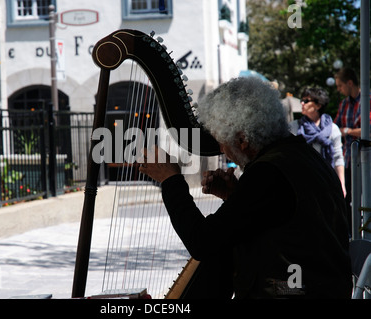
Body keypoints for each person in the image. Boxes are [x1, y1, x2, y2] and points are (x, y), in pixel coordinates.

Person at [139, 77, 352, 299]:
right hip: (322, 287)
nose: (222, 149)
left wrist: (170, 179)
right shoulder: (301, 154)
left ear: (242, 139)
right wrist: (234, 195)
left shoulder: (268, 173)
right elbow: (279, 215)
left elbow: (202, 241)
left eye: (221, 141)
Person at [289, 87, 346, 196]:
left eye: (306, 101)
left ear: (318, 105)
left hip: (327, 182)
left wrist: (342, 184)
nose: (301, 103)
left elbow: (338, 158)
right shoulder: (294, 127)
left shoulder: (333, 129)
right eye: (302, 100)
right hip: (301, 183)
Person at [333, 67, 371, 230]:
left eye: (340, 86)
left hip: (366, 160)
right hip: (348, 158)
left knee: (366, 198)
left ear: (350, 83)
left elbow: (368, 130)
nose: (338, 90)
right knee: (346, 198)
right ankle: (349, 232)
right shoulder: (344, 104)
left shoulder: (367, 100)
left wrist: (347, 131)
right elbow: (336, 128)